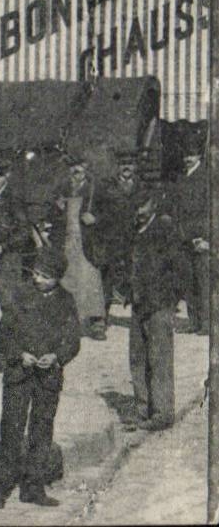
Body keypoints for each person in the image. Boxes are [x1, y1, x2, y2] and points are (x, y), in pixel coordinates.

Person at [0, 245, 81, 510]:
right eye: (36, 273)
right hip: (19, 375)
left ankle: (33, 487)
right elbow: (2, 337)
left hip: (48, 377)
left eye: (44, 275)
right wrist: (19, 355)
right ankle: (0, 489)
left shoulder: (66, 301)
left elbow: (73, 340)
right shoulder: (19, 295)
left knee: (42, 430)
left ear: (57, 278)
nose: (37, 279)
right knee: (11, 430)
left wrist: (57, 357)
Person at [126, 187, 180, 432]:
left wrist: (168, 299)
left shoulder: (164, 230)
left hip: (158, 304)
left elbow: (177, 268)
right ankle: (142, 408)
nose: (138, 211)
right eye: (136, 207)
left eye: (143, 206)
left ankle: (162, 412)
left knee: (158, 359)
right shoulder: (134, 231)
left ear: (153, 205)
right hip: (138, 303)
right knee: (137, 358)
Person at [58, 159, 107, 339]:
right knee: (69, 282)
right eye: (72, 169)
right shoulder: (64, 188)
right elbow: (54, 213)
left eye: (79, 169)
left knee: (91, 280)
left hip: (88, 243)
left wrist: (96, 219)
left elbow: (110, 212)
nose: (76, 173)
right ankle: (73, 323)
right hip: (69, 243)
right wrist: (58, 209)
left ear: (86, 169)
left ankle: (97, 323)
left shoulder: (96, 189)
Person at [92, 158, 139, 323]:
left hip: (134, 240)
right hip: (111, 240)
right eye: (122, 163)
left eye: (130, 163)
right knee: (106, 279)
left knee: (136, 277)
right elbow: (94, 211)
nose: (126, 167)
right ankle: (100, 319)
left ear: (135, 166)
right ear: (117, 167)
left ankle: (140, 319)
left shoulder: (142, 186)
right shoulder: (106, 186)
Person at [168, 138, 208, 334]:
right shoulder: (181, 177)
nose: (187, 159)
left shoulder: (208, 178)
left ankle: (206, 324)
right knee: (188, 281)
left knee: (203, 282)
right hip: (183, 238)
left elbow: (211, 211)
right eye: (185, 155)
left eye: (191, 155)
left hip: (200, 240)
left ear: (199, 155)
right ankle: (194, 322)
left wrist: (206, 238)